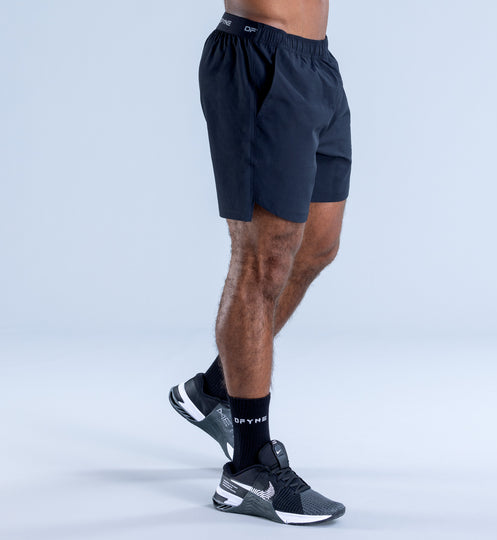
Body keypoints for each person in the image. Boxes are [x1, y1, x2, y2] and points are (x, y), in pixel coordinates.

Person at [169, 0, 351, 525]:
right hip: (257, 55)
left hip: (317, 64)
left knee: (318, 247)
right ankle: (249, 468)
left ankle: (217, 389)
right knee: (262, 261)